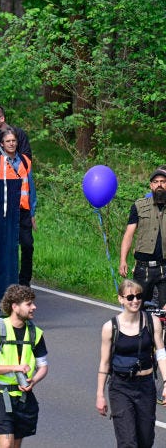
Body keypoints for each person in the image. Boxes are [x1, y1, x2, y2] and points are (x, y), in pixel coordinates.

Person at [0, 284, 49, 448]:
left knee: (15, 446)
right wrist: (14, 368)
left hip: (22, 397)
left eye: (33, 303)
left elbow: (43, 366)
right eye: (29, 304)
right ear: (14, 306)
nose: (34, 307)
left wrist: (34, 380)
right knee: (6, 443)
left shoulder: (35, 333)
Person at [95, 279, 166, 448]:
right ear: (121, 299)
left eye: (139, 296)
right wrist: (100, 395)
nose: (135, 300)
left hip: (145, 386)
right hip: (121, 387)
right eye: (130, 297)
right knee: (128, 442)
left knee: (146, 440)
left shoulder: (152, 322)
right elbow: (104, 363)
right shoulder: (110, 327)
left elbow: (161, 354)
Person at [0, 129, 37, 286]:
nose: (11, 143)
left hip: (23, 211)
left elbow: (31, 189)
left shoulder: (25, 162)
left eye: (13, 140)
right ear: (2, 143)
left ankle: (24, 282)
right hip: (5, 212)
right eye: (8, 141)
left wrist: (33, 213)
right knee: (8, 248)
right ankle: (6, 281)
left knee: (28, 246)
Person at [120, 167, 166, 307]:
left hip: (165, 267)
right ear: (151, 185)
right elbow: (129, 234)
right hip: (143, 268)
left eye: (163, 182)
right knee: (137, 307)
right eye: (156, 181)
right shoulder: (139, 206)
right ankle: (141, 328)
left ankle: (161, 328)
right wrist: (123, 260)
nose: (159, 184)